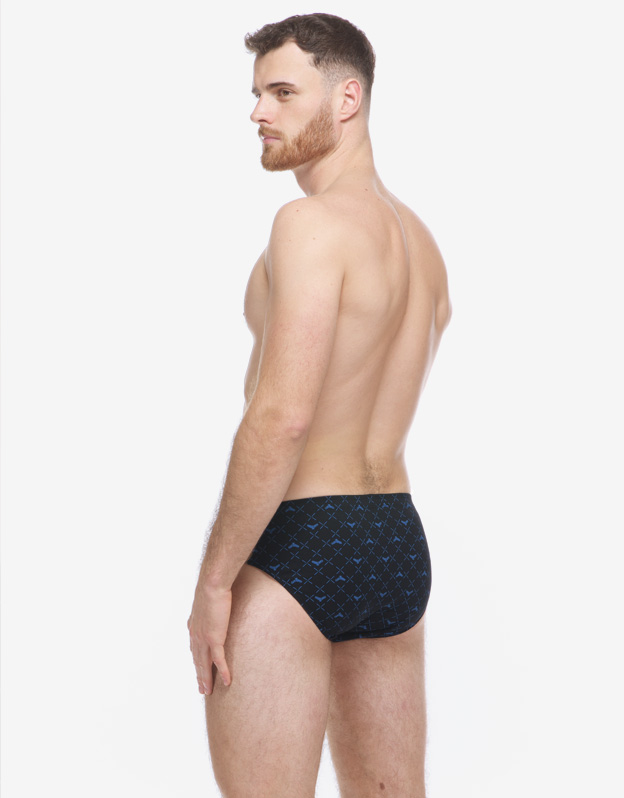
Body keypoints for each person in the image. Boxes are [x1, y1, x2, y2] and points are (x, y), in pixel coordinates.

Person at [187, 12, 452, 798]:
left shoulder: (307, 225)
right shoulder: (422, 243)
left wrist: (214, 583)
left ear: (346, 99)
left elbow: (283, 417)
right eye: (256, 94)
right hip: (394, 542)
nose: (257, 113)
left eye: (281, 92)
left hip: (301, 543)